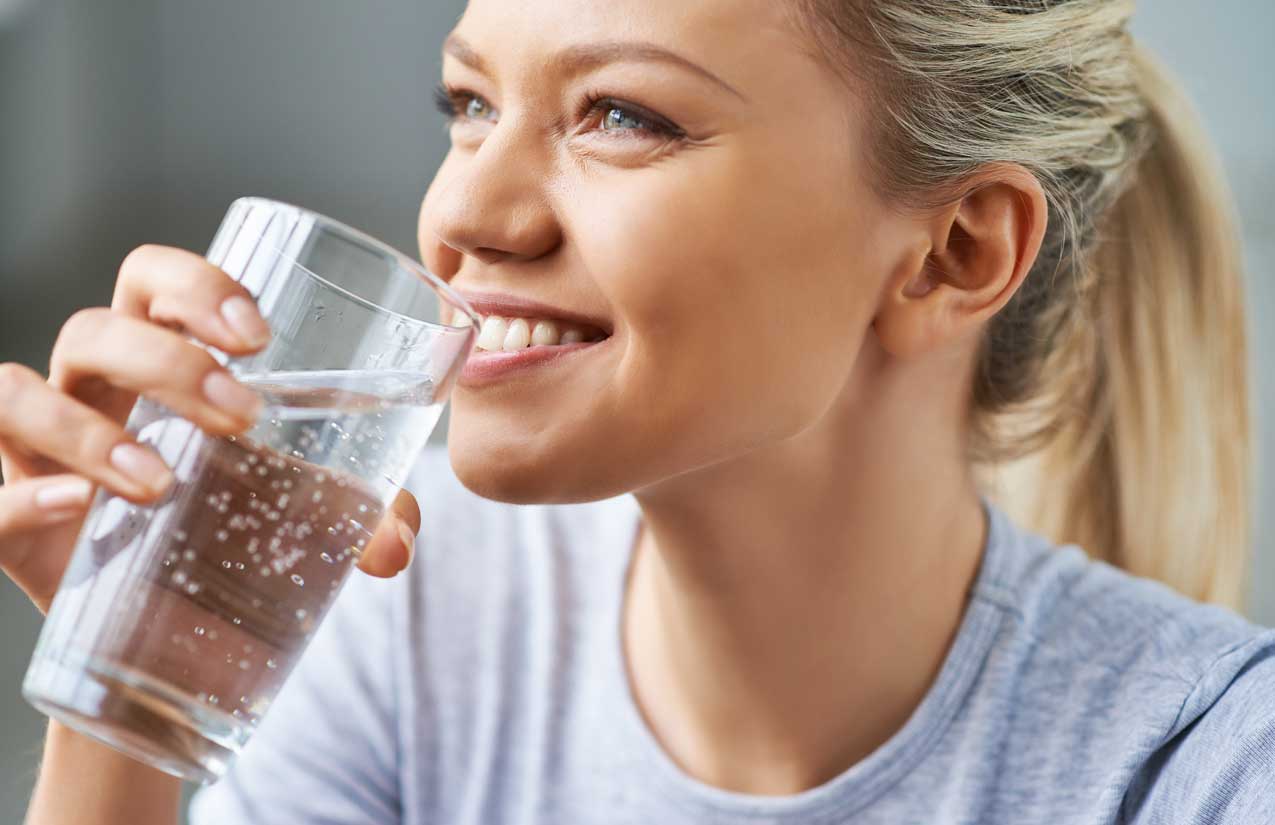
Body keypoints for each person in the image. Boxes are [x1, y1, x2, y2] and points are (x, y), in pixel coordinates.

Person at [5, 0, 1272, 822]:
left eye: (622, 116)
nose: (463, 219)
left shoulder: (1206, 767)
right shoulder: (409, 619)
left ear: (953, 253)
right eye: (470, 105)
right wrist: (135, 694)